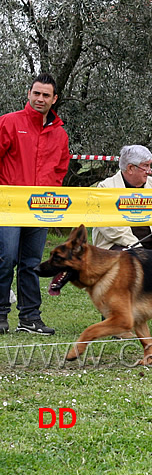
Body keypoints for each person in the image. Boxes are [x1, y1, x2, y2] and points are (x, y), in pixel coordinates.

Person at [0, 73, 71, 335]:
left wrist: (51, 198)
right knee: (5, 259)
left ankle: (30, 318)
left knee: (31, 263)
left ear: (54, 99)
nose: (40, 98)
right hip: (8, 208)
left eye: (45, 95)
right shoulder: (8, 123)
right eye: (36, 93)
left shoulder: (60, 135)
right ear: (29, 94)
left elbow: (60, 170)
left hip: (41, 210)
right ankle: (0, 315)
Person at [92, 145, 152, 256]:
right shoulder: (105, 188)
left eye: (150, 166)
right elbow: (110, 226)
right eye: (145, 166)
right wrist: (138, 247)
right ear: (130, 168)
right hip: (121, 246)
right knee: (134, 262)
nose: (149, 171)